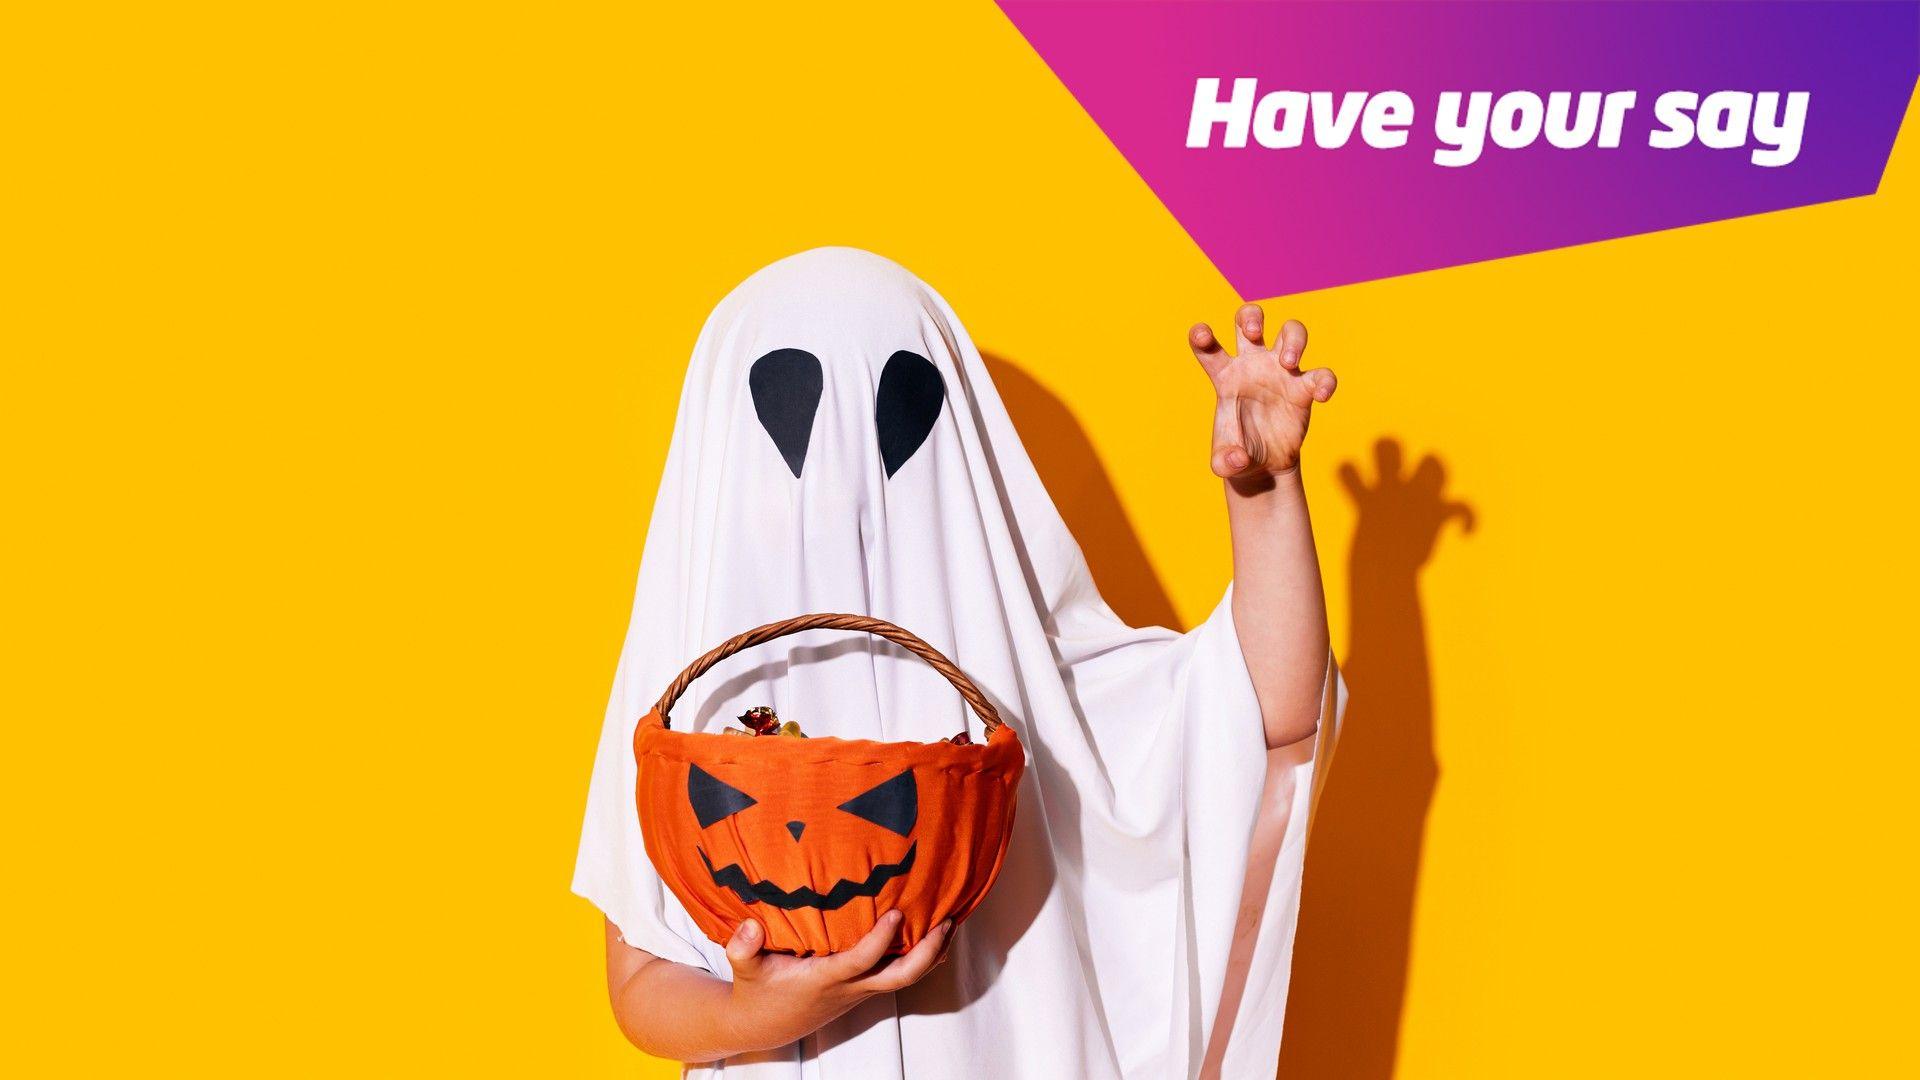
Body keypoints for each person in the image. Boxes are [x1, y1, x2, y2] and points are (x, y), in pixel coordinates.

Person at [573, 247, 1345, 1078]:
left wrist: (1264, 493)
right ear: (721, 446)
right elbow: (640, 981)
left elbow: (1265, 715)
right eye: (792, 410)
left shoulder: (1035, 682)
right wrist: (754, 1011)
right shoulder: (685, 696)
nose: (842, 469)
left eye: (894, 408)